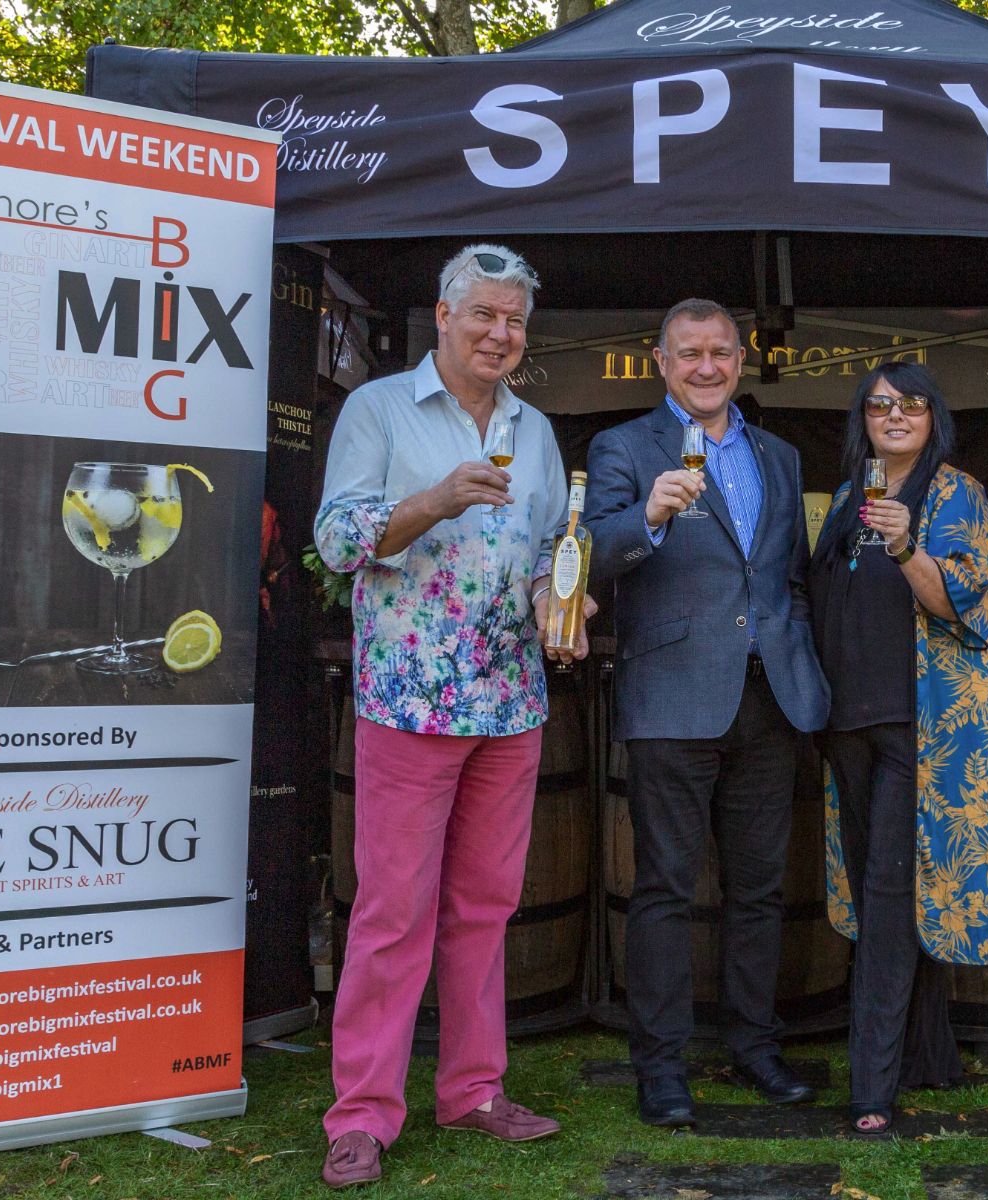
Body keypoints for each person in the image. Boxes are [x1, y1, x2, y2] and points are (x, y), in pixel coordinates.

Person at [314, 244, 589, 1189]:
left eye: (514, 321)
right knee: (392, 914)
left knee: (485, 908)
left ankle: (473, 1089)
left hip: (510, 701)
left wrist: (563, 602)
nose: (500, 334)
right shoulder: (379, 409)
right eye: (484, 315)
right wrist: (433, 500)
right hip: (409, 700)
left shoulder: (535, 429)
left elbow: (549, 548)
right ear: (443, 316)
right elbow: (336, 541)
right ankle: (361, 1115)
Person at [583, 298, 830, 1126]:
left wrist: (797, 653)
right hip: (672, 695)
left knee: (759, 889)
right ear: (660, 361)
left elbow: (787, 576)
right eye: (689, 352)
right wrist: (647, 517)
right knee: (663, 889)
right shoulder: (624, 447)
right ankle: (660, 1068)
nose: (706, 366)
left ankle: (755, 1047)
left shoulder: (780, 456)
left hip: (771, 694)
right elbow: (588, 556)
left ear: (740, 358)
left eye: (720, 351)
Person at [807, 362, 988, 1134]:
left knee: (891, 898)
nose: (895, 416)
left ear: (933, 419)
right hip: (847, 726)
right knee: (876, 894)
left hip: (920, 729)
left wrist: (904, 546)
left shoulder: (956, 495)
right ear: (861, 418)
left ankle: (871, 1087)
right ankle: (929, 1055)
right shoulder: (847, 497)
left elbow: (968, 601)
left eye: (912, 405)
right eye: (880, 405)